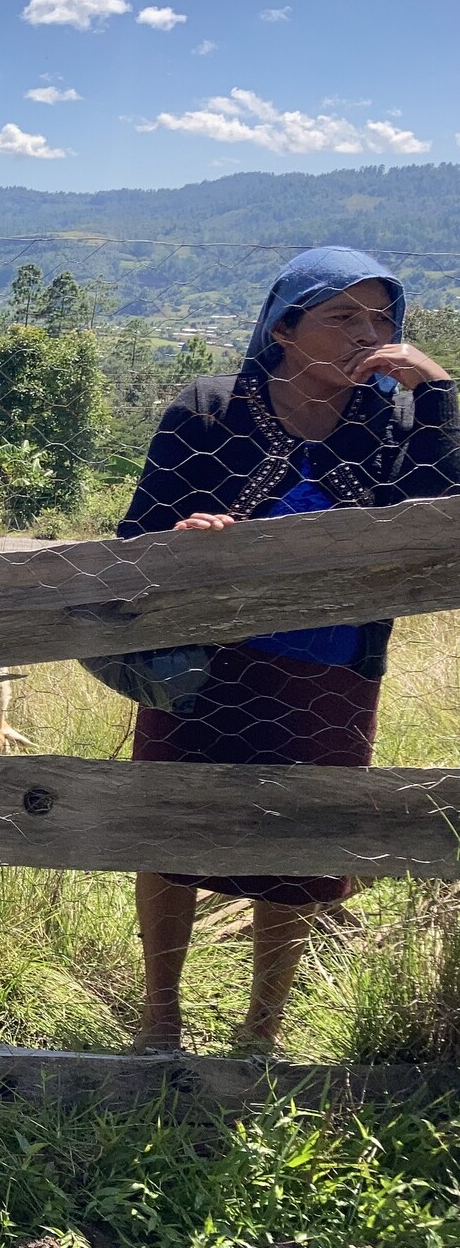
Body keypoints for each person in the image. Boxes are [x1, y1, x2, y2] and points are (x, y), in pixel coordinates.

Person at [118, 246, 460, 1055]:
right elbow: (134, 538)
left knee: (299, 845)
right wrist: (184, 540)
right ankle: (159, 1018)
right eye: (342, 316)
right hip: (202, 669)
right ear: (284, 328)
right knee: (172, 834)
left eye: (381, 318)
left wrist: (439, 391)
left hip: (332, 671)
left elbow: (439, 516)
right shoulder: (209, 409)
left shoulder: (391, 424)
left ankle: (261, 1032)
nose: (366, 334)